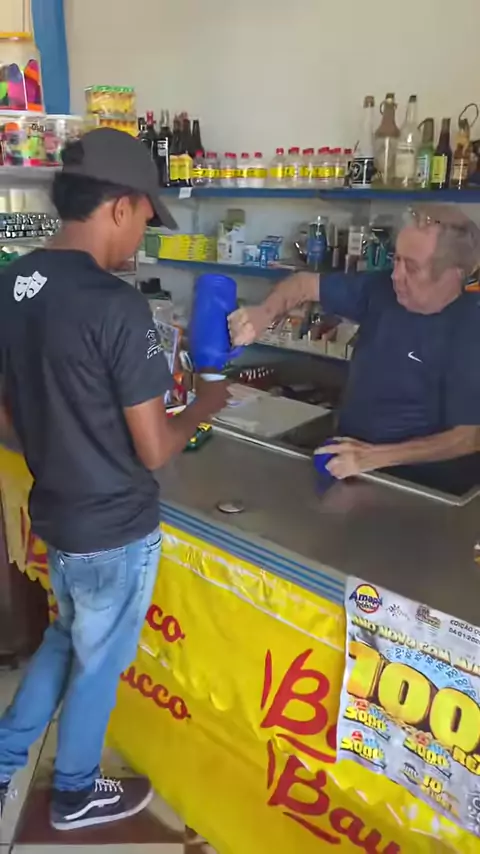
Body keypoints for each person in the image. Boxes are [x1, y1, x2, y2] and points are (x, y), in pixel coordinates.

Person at [0, 129, 228, 831]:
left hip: (59, 516)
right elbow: (155, 449)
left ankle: (3, 757)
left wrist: (54, 437)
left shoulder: (11, 284)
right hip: (115, 529)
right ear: (121, 206)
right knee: (97, 662)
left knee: (69, 637)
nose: (140, 239)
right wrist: (207, 402)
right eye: (145, 221)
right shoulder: (115, 305)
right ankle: (74, 791)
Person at [229, 206, 480, 480]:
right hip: (350, 461)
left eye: (412, 267)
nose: (396, 275)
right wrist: (264, 313)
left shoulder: (469, 329)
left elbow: (468, 436)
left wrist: (374, 456)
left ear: (454, 274)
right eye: (396, 259)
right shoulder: (381, 289)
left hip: (423, 486)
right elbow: (303, 284)